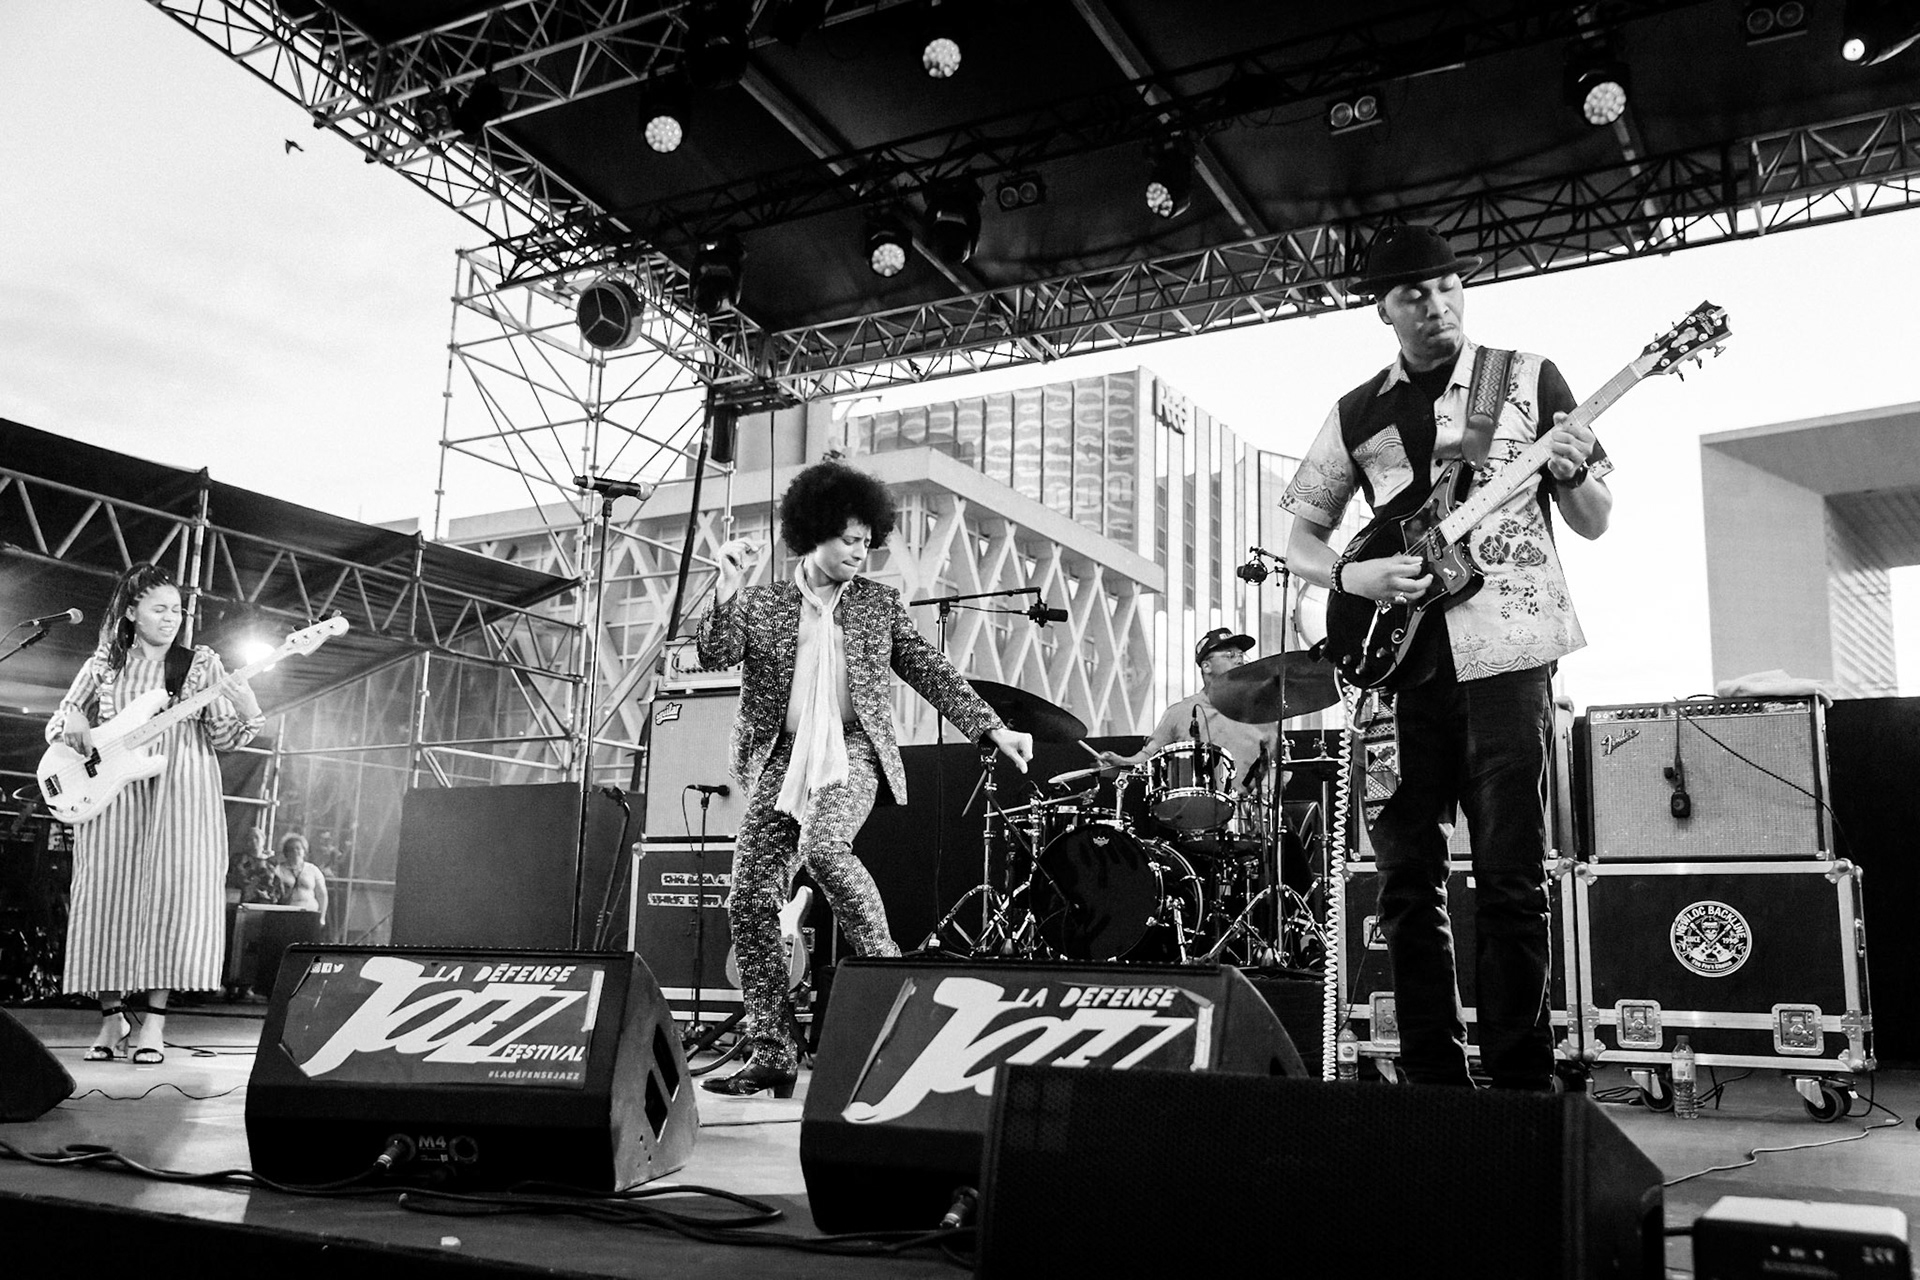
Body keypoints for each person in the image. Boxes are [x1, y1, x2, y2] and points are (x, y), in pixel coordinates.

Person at [1280, 224, 1612, 1091]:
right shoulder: (1356, 410)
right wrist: (1360, 571)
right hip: (1395, 670)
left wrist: (1572, 472)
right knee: (1404, 884)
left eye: (1449, 285)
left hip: (1509, 657)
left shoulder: (1529, 378)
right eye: (1415, 294)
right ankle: (1430, 1082)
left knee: (1511, 878)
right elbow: (1302, 540)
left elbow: (1596, 519)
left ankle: (1519, 1083)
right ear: (1382, 308)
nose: (1437, 305)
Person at [698, 460, 1034, 1097]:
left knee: (824, 848)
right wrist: (726, 586)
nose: (859, 552)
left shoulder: (879, 604)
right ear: (813, 534)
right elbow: (714, 655)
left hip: (852, 751)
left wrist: (991, 727)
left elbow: (927, 667)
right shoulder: (765, 602)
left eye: (865, 541)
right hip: (780, 757)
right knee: (747, 895)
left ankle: (889, 984)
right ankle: (770, 1049)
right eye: (847, 540)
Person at [49, 562, 264, 1064]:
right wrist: (74, 716)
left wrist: (249, 706)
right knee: (105, 896)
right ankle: (111, 1019)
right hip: (113, 797)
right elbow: (62, 721)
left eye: (177, 610)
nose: (171, 618)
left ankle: (154, 1026)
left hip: (182, 793)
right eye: (160, 608)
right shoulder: (104, 663)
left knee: (174, 902)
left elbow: (225, 738)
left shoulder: (200, 664)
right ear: (132, 612)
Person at [1093, 626, 1281, 801]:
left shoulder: (1262, 713)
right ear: (1206, 667)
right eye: (1229, 655)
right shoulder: (1179, 713)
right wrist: (1121, 761)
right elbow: (1150, 757)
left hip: (1250, 818)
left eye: (1241, 654)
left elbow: (1280, 765)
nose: (1239, 659)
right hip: (1191, 817)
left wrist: (1264, 796)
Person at [272, 832, 329, 922]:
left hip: (310, 914)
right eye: (291, 849)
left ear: (304, 850)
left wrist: (322, 917)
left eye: (298, 848)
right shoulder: (278, 870)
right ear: (286, 852)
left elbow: (322, 894)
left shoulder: (313, 869)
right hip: (287, 916)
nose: (295, 851)